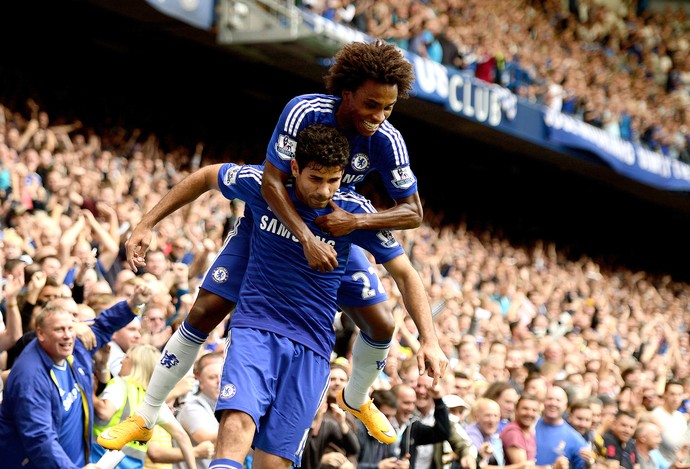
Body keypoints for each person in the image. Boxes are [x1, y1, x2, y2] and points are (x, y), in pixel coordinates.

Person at [100, 39, 444, 449]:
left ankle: (356, 399)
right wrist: (146, 222)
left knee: (383, 324)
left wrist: (355, 221)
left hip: (336, 228)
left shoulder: (386, 140)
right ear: (347, 93)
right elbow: (266, 180)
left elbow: (413, 213)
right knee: (205, 311)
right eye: (372, 104)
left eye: (388, 107)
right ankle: (147, 414)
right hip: (273, 225)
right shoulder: (305, 111)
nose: (380, 116)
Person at [0, 284, 152, 469]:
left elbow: (104, 325)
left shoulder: (73, 348)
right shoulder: (30, 376)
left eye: (70, 328)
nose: (67, 336)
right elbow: (40, 439)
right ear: (40, 333)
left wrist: (132, 304)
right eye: (59, 330)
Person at [92, 344, 198, 469]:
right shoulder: (155, 401)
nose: (121, 360)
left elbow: (104, 412)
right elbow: (182, 437)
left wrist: (88, 393)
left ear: (137, 363)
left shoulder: (120, 385)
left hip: (100, 461)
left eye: (126, 357)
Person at [535, 385, 589, 469]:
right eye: (550, 399)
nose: (553, 403)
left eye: (558, 400)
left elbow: (583, 465)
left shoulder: (575, 438)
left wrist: (590, 463)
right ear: (543, 402)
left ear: (566, 406)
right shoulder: (530, 426)